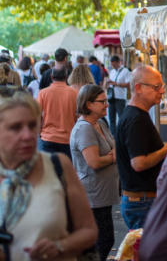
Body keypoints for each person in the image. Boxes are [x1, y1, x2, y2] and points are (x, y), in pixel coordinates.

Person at [0, 87, 97, 261]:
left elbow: (89, 231)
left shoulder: (58, 165)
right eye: (15, 128)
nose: (28, 135)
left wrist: (60, 246)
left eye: (32, 125)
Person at [115, 65, 167, 229]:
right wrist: (166, 149)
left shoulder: (136, 116)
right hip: (141, 202)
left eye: (162, 86)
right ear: (138, 88)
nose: (161, 91)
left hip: (141, 201)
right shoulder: (136, 120)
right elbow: (138, 163)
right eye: (156, 87)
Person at [70, 84, 118, 261]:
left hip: (102, 194)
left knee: (104, 241)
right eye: (102, 102)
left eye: (106, 101)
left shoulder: (100, 123)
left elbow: (114, 146)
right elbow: (94, 162)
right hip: (92, 196)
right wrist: (113, 157)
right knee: (103, 241)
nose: (107, 104)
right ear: (88, 104)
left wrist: (113, 154)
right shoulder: (84, 129)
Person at [38, 67, 78, 157]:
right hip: (68, 138)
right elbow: (78, 115)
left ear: (51, 77)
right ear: (66, 76)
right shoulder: (74, 93)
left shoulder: (43, 93)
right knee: (65, 169)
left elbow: (37, 115)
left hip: (47, 137)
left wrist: (39, 131)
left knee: (49, 169)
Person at [105, 55, 131, 129]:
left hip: (120, 97)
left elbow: (129, 85)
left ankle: (121, 134)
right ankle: (113, 135)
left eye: (114, 64)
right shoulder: (112, 72)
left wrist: (116, 84)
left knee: (121, 117)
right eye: (112, 64)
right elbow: (110, 83)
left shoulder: (125, 71)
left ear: (119, 62)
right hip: (111, 97)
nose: (113, 66)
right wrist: (108, 83)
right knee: (111, 118)